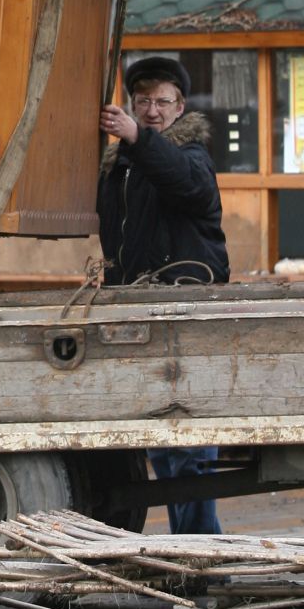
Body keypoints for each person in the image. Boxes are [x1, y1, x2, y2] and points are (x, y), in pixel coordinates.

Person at [98, 54, 229, 535]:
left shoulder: (191, 156)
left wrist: (135, 137)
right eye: (143, 101)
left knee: (191, 446)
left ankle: (201, 560)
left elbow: (183, 182)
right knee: (161, 444)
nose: (152, 110)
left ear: (179, 108)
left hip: (187, 310)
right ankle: (193, 558)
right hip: (140, 314)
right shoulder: (120, 167)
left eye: (162, 101)